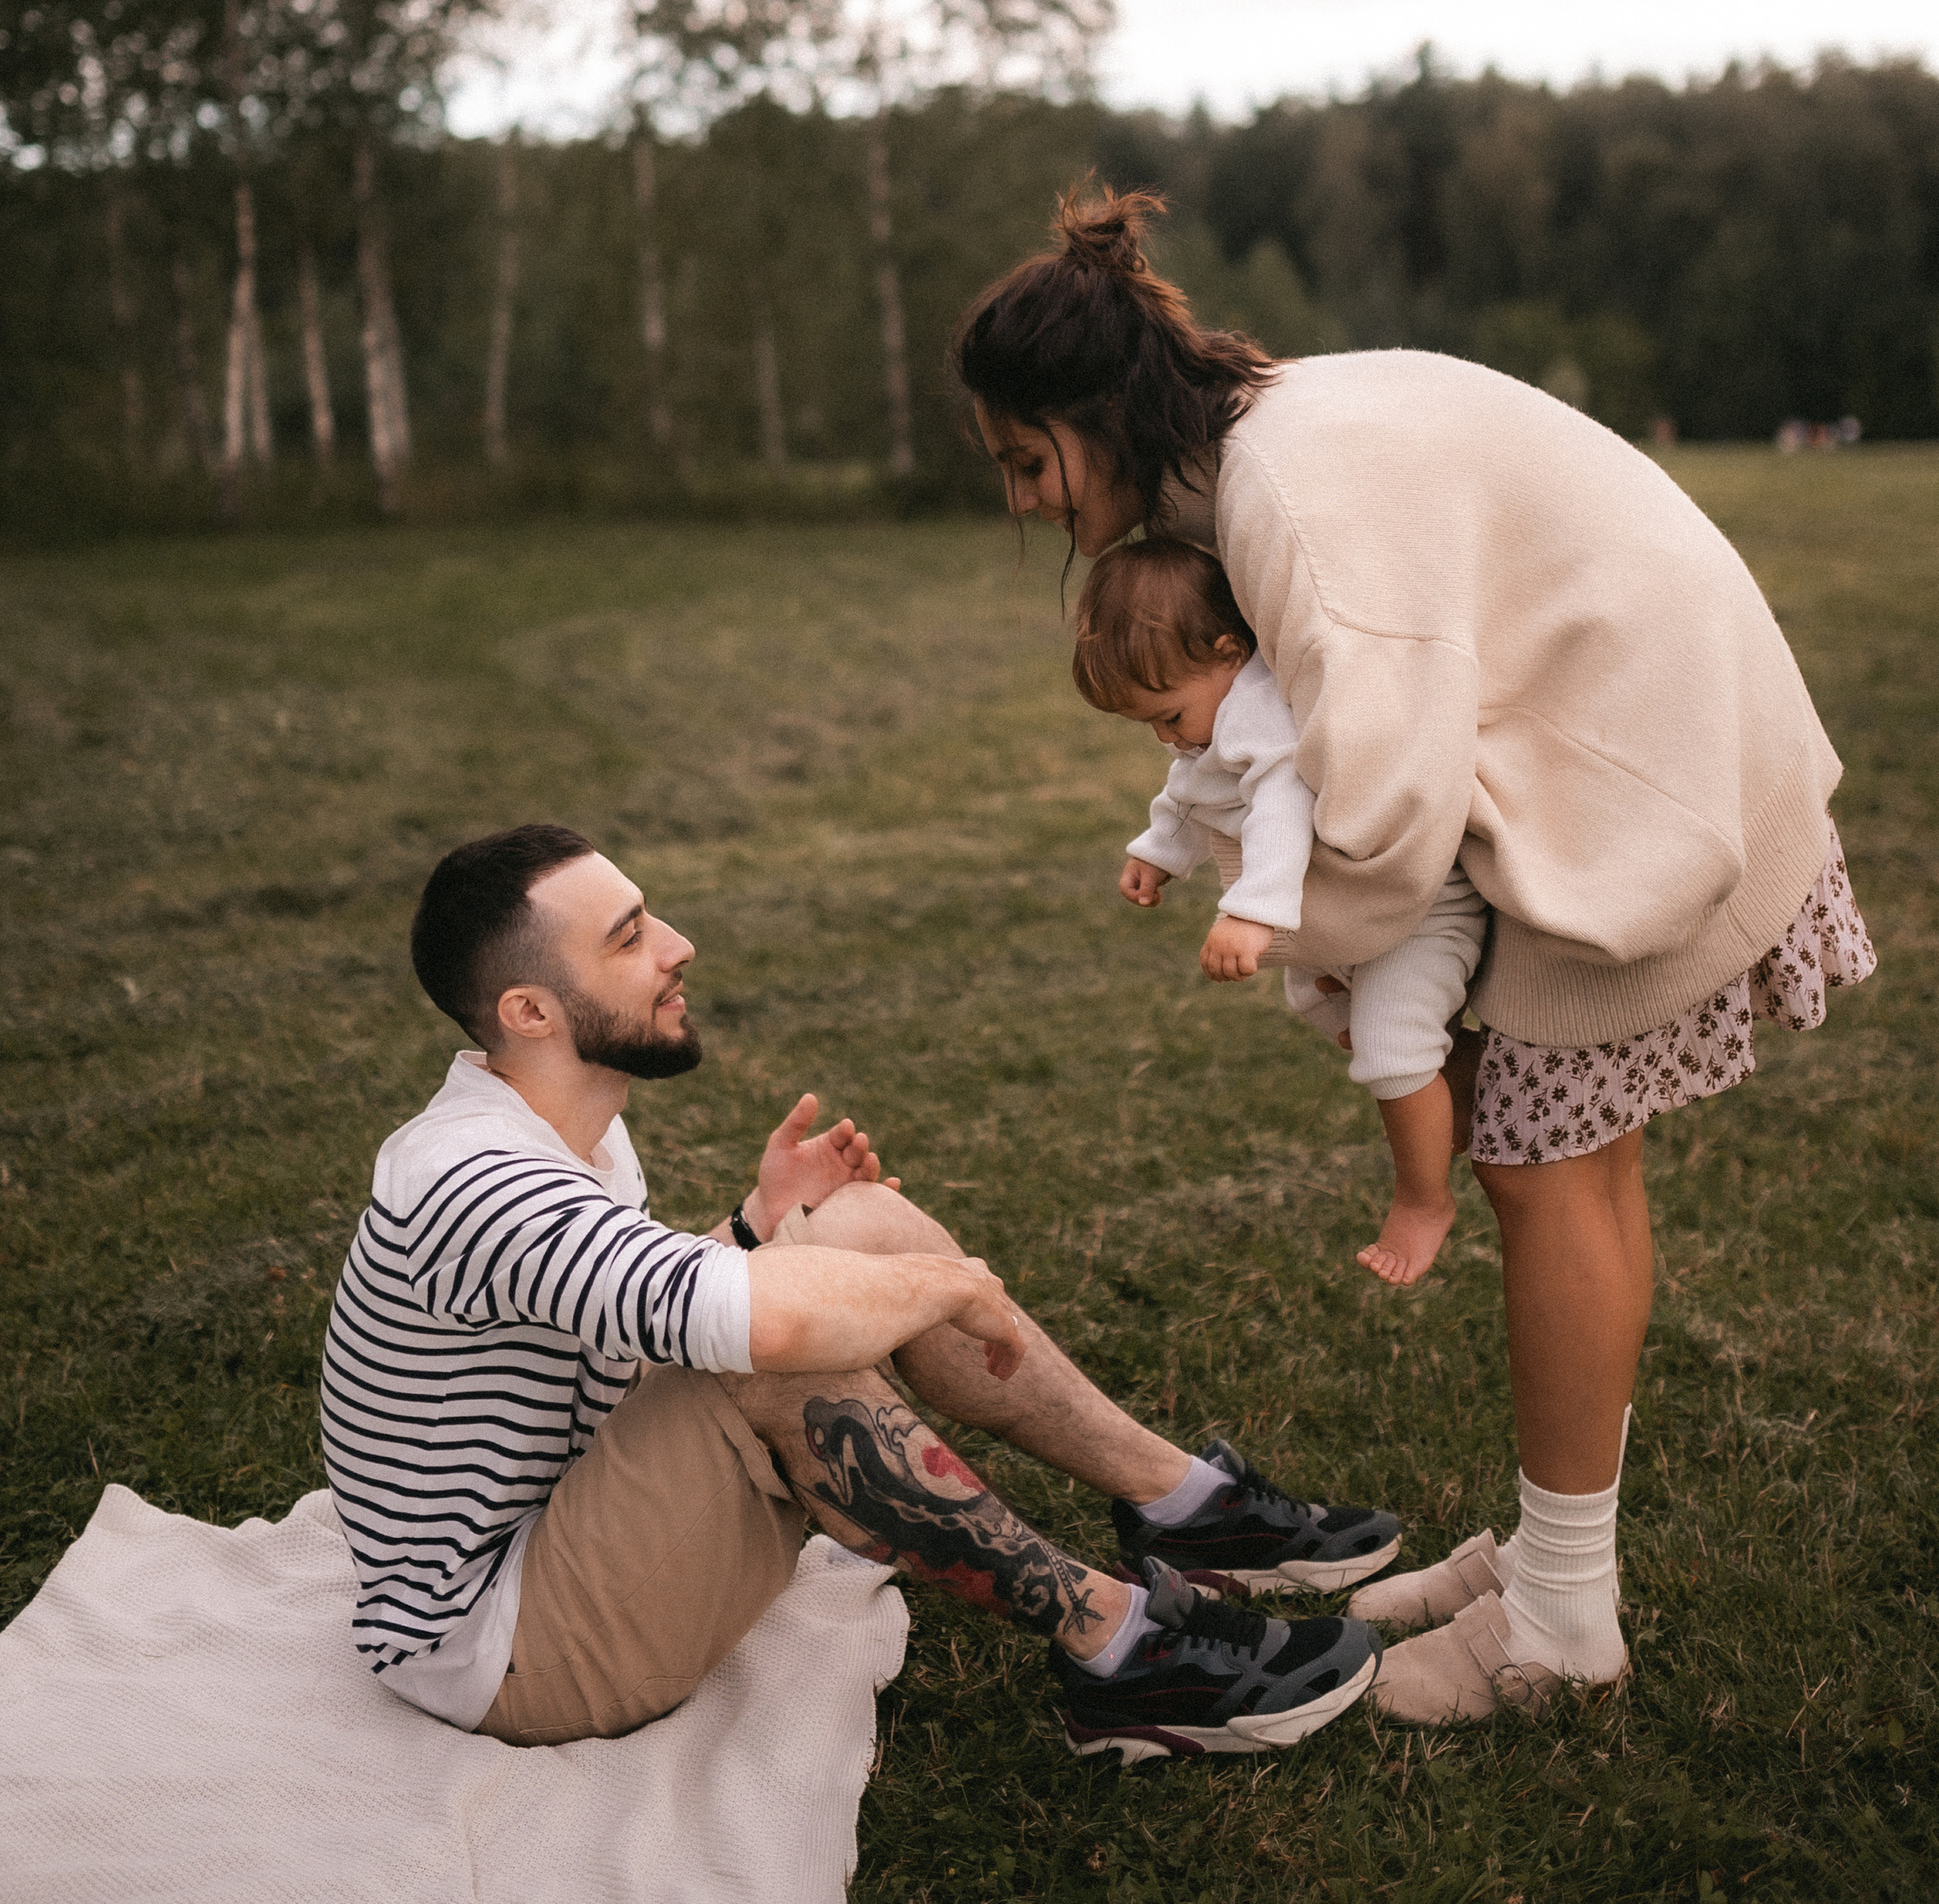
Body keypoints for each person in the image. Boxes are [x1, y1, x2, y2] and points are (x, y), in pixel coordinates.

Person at [952, 186, 1875, 1726]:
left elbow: (1379, 819)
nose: (1026, 501)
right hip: (1625, 736)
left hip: (1636, 771)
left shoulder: (1283, 500)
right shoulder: (1261, 442)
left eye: (1023, 460)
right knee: (1575, 1163)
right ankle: (1545, 1557)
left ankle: (1564, 1624)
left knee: (1539, 1172)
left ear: (1090, 415)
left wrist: (1313, 963)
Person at [320, 824, 1393, 1768]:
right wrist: (946, 1284)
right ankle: (1126, 1649)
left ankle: (1185, 1508)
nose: (678, 943)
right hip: (509, 1648)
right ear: (531, 1010)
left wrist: (752, 1224)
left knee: (858, 1227)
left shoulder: (566, 1129)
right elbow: (767, 1326)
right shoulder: (467, 1179)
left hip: (575, 1511)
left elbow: (609, 1330)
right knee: (775, 1345)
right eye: (629, 934)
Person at [1073, 536, 1486, 1286]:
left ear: (1230, 652)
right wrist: (1158, 850)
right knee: (1315, 997)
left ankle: (1423, 1199)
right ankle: (1448, 1062)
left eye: (1169, 713)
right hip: (1352, 921)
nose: (1167, 736)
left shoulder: (1263, 709)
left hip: (1414, 913)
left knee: (1388, 1046)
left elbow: (1278, 804)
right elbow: (1190, 786)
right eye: (1151, 726)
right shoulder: (1214, 717)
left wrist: (1251, 913)